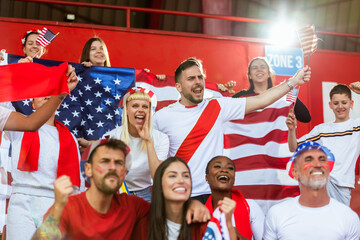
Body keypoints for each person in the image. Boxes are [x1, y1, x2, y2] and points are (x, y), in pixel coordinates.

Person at [153, 57, 311, 202]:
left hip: (212, 195)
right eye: (191, 79)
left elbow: (261, 100)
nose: (198, 82)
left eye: (200, 77)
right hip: (179, 195)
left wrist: (293, 81)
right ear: (178, 87)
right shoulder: (161, 117)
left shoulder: (218, 106)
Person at [31, 139, 210, 240]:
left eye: (118, 163)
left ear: (124, 173)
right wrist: (57, 208)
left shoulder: (133, 206)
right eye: (104, 162)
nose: (112, 168)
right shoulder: (69, 207)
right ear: (88, 170)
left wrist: (192, 203)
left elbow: (165, 211)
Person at [4, 69, 82, 240]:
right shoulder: (19, 127)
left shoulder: (70, 139)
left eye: (51, 92)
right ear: (31, 103)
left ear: (58, 102)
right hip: (21, 200)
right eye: (41, 93)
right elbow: (3, 103)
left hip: (56, 203)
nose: (47, 95)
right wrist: (15, 71)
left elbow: (77, 182)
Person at [78, 87, 169, 202]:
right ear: (126, 110)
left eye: (145, 106)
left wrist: (148, 141)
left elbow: (158, 176)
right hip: (117, 194)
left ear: (150, 111)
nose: (140, 110)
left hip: (147, 195)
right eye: (135, 106)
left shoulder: (161, 138)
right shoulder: (111, 136)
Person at [263, 141, 360, 239]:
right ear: (295, 173)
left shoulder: (348, 217)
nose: (318, 164)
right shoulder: (277, 214)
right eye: (308, 159)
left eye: (322, 159)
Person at [286, 82, 360, 206]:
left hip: (343, 186)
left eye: (344, 102)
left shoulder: (356, 126)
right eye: (336, 103)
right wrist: (291, 129)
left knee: (337, 223)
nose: (340, 106)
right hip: (322, 181)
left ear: (351, 104)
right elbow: (294, 147)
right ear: (330, 105)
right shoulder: (321, 130)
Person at [148, 156, 238, 240]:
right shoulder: (142, 214)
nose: (181, 180)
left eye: (186, 176)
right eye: (172, 176)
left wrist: (228, 225)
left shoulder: (203, 224)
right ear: (159, 184)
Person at [232, 57, 310, 122]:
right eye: (254, 67)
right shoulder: (241, 96)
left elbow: (306, 118)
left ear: (269, 73)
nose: (259, 70)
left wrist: (289, 92)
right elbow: (225, 112)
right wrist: (222, 93)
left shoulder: (284, 93)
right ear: (249, 75)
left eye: (263, 67)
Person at [205, 156, 265, 240]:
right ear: (206, 178)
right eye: (217, 166)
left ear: (233, 180)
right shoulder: (200, 212)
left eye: (230, 168)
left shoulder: (250, 206)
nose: (224, 170)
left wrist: (239, 238)